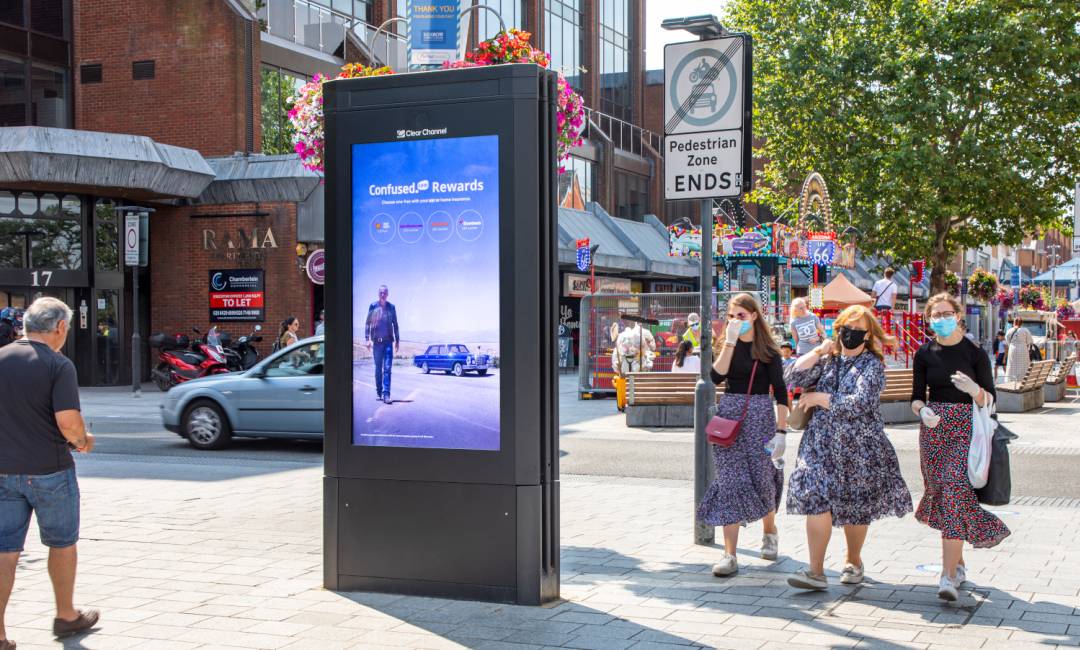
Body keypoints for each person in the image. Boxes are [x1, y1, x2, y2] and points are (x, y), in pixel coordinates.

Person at [783, 305, 912, 590]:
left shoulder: (873, 365)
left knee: (855, 507)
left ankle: (853, 560)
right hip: (819, 444)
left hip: (858, 447)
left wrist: (821, 398)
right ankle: (815, 572)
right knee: (814, 494)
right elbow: (791, 376)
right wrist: (819, 350)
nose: (849, 334)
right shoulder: (828, 360)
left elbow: (861, 402)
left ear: (868, 335)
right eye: (844, 328)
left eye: (856, 329)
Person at [0, 298, 100, 647]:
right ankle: (66, 616)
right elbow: (68, 423)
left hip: (2, 472)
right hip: (50, 471)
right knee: (61, 543)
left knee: (5, 550)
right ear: (60, 327)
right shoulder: (58, 365)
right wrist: (84, 441)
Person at [911, 293, 1009, 602]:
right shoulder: (924, 353)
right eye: (935, 314)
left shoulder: (974, 353)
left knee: (954, 487)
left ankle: (948, 576)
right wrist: (921, 410)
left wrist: (974, 390)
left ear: (958, 315)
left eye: (945, 312)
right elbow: (916, 396)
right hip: (933, 429)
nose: (940, 318)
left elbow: (991, 400)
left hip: (966, 429)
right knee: (942, 493)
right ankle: (959, 562)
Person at [697, 293, 789, 577]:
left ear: (754, 316)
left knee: (762, 479)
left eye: (742, 316)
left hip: (760, 417)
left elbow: (782, 393)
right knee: (730, 482)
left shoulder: (769, 352)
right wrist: (729, 341)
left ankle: (770, 532)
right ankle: (730, 554)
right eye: (732, 316)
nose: (736, 321)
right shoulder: (728, 345)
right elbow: (715, 377)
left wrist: (782, 431)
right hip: (729, 417)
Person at [365, 285, 400, 404]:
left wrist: (397, 341)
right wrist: (367, 339)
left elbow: (395, 324)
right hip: (377, 343)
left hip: (388, 342)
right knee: (378, 369)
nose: (382, 295)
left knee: (388, 368)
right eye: (381, 293)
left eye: (384, 293)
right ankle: (379, 391)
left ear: (388, 294)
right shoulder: (373, 306)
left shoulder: (391, 307)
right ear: (378, 294)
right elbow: (367, 324)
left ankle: (386, 394)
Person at [1004, 316, 1033, 382]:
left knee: (1012, 365)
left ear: (1014, 323)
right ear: (1021, 323)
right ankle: (1022, 380)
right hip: (1023, 349)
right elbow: (1029, 341)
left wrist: (1013, 344)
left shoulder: (1009, 330)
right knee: (1023, 365)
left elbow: (1007, 341)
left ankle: (1011, 380)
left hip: (1012, 349)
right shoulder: (1025, 330)